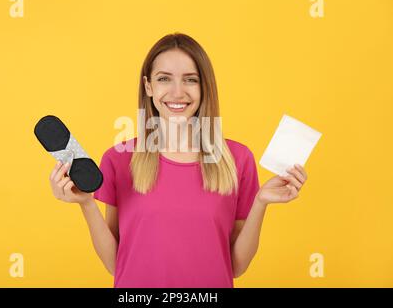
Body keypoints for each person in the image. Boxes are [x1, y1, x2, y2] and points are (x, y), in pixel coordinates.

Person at [48, 33, 308, 288]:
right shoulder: (118, 159)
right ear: (149, 86)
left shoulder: (237, 159)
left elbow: (237, 267)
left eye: (190, 80)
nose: (177, 92)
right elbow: (117, 266)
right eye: (164, 79)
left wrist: (261, 202)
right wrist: (86, 204)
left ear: (204, 87)